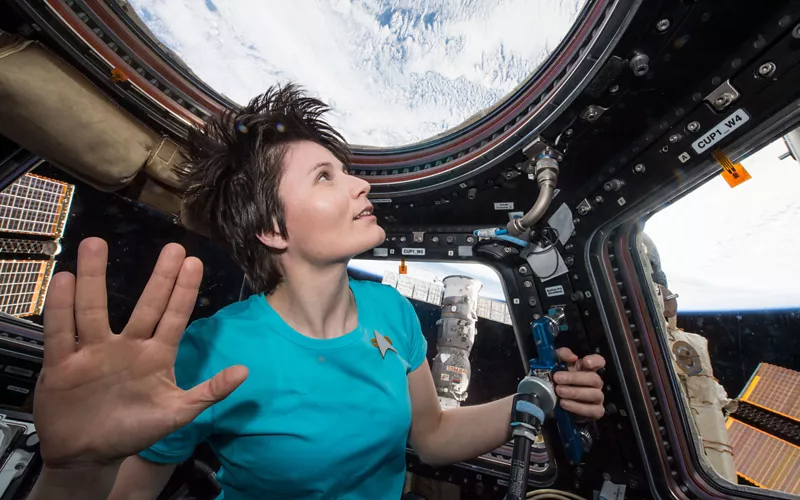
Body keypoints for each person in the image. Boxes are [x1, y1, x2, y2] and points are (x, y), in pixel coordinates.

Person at [30, 84, 606, 500]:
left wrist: (538, 397)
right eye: (326, 176)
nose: (361, 183)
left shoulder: (393, 312)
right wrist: (72, 474)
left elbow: (430, 438)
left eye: (345, 169)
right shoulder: (205, 353)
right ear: (274, 230)